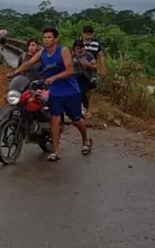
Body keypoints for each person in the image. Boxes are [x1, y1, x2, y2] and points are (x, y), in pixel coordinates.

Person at [12, 27, 91, 162]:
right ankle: (56, 151)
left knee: (75, 119)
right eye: (45, 37)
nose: (46, 40)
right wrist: (14, 73)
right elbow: (29, 63)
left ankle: (86, 140)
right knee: (54, 119)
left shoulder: (63, 51)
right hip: (55, 91)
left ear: (55, 39)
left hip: (70, 90)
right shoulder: (42, 52)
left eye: (49, 37)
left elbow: (69, 70)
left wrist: (54, 78)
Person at [70, 39, 98, 118]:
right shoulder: (72, 55)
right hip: (75, 77)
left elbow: (95, 66)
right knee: (75, 93)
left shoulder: (88, 55)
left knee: (81, 92)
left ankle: (85, 109)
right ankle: (77, 109)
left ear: (82, 47)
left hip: (86, 77)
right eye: (76, 48)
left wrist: (88, 65)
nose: (78, 49)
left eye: (79, 48)